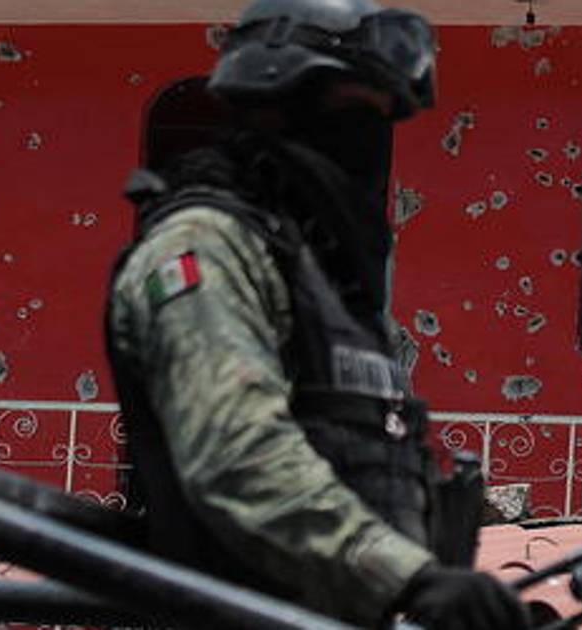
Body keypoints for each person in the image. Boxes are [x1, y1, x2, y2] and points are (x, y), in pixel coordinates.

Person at [103, 1, 529, 628]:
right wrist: (406, 578)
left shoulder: (322, 281)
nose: (370, 141)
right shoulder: (208, 248)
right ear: (274, 102)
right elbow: (237, 457)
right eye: (356, 111)